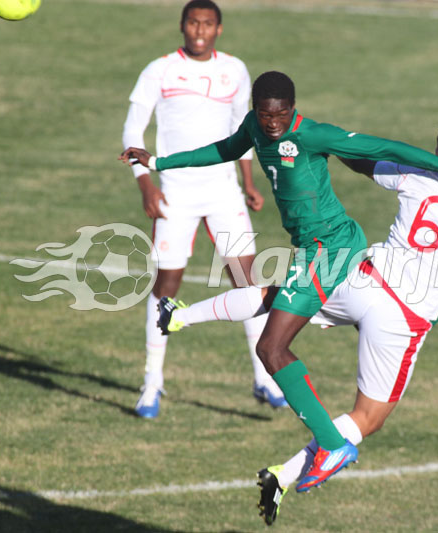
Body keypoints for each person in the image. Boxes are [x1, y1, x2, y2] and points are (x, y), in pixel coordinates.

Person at [147, 117, 438, 525]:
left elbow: (365, 160)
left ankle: (184, 315)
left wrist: (331, 149)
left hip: (361, 279)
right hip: (401, 319)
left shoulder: (420, 171)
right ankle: (287, 474)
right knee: (368, 418)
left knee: (282, 296)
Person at [120, 72, 438, 491]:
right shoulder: (252, 128)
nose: (273, 123)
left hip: (331, 249)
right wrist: (157, 162)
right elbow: (223, 150)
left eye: (281, 114)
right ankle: (182, 317)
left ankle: (333, 444)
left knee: (271, 346)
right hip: (310, 250)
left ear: (292, 109)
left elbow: (386, 147)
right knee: (273, 300)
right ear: (255, 111)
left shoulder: (313, 135)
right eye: (265, 115)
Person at [121, 0, 286, 418]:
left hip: (223, 191)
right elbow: (132, 128)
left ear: (219, 29)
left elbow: (241, 131)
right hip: (175, 191)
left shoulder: (234, 69)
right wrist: (145, 183)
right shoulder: (159, 70)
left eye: (207, 23)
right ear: (182, 26)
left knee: (248, 283)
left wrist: (249, 183)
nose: (199, 30)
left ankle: (264, 379)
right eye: (193, 22)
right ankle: (152, 384)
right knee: (167, 285)